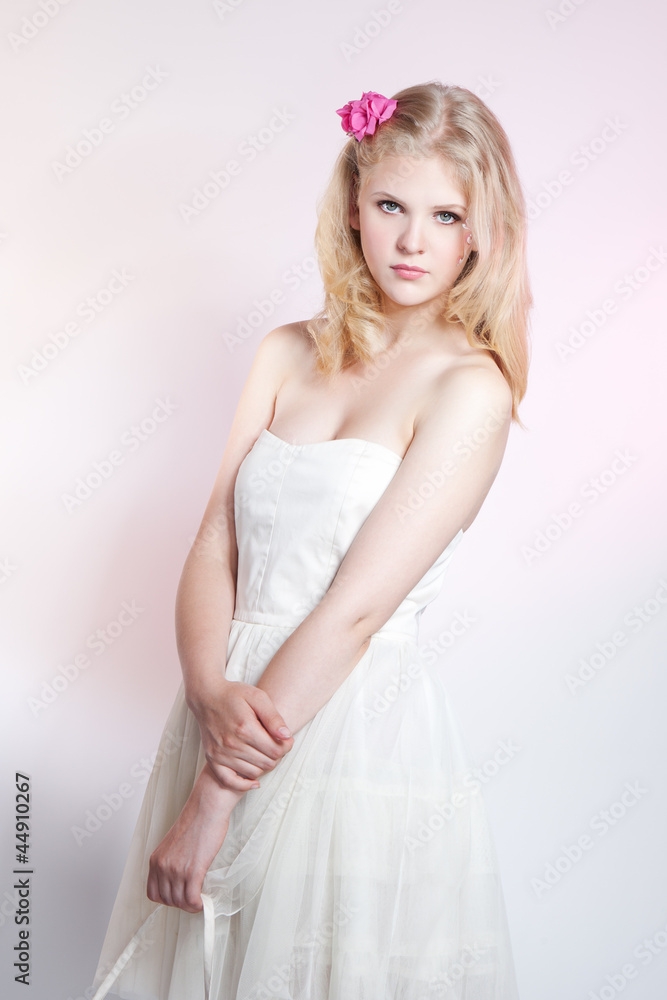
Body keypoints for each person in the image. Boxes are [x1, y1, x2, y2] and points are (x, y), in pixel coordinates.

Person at [91, 82, 532, 999]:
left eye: (445, 215)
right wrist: (209, 692)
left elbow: (356, 607)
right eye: (390, 207)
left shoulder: (469, 389)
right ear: (353, 206)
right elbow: (216, 536)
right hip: (227, 710)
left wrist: (216, 793)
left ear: (479, 231)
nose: (413, 241)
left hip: (347, 736)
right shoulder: (287, 350)